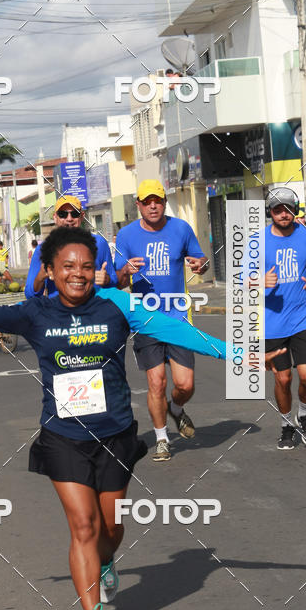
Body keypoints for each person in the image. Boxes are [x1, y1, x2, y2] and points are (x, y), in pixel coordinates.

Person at [0, 227, 229, 610]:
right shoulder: (35, 313)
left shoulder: (118, 306)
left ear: (97, 271)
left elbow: (175, 330)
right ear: (52, 272)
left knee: (109, 528)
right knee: (83, 527)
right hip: (63, 436)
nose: (78, 274)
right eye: (68, 267)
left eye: (87, 267)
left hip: (114, 433)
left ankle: (108, 560)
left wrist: (237, 352)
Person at [114, 180, 208, 462]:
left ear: (164, 202)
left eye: (158, 200)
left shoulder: (180, 228)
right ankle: (162, 438)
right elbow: (117, 281)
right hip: (146, 321)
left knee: (185, 385)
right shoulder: (126, 236)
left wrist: (199, 264)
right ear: (139, 205)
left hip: (178, 318)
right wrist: (126, 270)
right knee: (156, 382)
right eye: (147, 201)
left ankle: (176, 409)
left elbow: (201, 259)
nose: (153, 205)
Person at [264, 187, 306, 449]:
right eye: (278, 209)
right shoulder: (258, 242)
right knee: (283, 379)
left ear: (295, 209)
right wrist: (258, 281)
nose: (284, 213)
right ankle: (285, 424)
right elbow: (241, 279)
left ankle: (304, 414)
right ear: (270, 212)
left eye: (288, 208)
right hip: (272, 322)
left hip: (303, 317)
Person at [25, 195, 116, 299]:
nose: (69, 219)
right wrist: (40, 277)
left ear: (82, 216)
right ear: (55, 218)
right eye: (62, 214)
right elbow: (30, 294)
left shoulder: (99, 243)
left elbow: (114, 281)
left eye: (74, 214)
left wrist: (107, 279)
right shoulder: (43, 250)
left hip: (93, 311)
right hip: (60, 313)